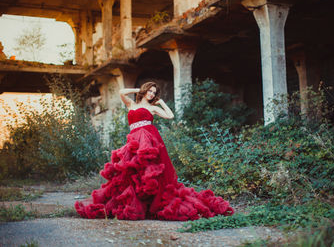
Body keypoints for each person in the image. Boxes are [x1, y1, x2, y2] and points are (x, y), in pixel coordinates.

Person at [75, 82, 234, 221]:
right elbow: (121, 92)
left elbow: (170, 116)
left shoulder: (152, 108)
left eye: (153, 92)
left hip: (149, 139)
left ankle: (152, 205)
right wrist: (141, 90)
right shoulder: (131, 104)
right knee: (131, 172)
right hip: (134, 140)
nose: (151, 94)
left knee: (151, 172)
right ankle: (138, 203)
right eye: (149, 91)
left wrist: (162, 102)